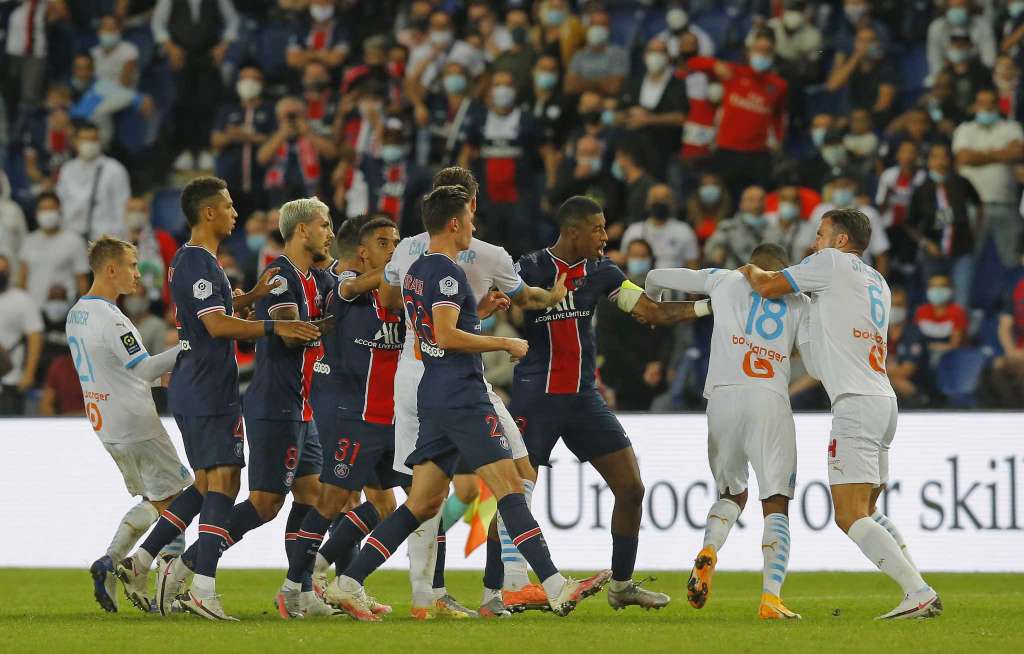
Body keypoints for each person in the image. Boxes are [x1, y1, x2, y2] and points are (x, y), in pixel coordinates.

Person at [327, 185, 611, 622]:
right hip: (462, 394)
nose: (473, 228)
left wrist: (477, 311)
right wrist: (504, 343)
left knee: (422, 503)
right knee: (511, 485)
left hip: (433, 393)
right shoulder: (447, 273)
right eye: (470, 220)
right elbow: (445, 335)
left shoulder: (416, 268)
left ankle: (348, 582)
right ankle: (555, 585)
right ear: (455, 223)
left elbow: (435, 326)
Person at [116, 177, 319, 619]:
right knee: (224, 483)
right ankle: (202, 588)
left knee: (207, 484)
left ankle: (142, 561)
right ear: (208, 213)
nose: (234, 213)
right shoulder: (197, 261)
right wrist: (274, 325)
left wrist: (254, 297)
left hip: (203, 383)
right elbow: (216, 326)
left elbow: (215, 314)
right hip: (207, 386)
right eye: (227, 206)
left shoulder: (198, 260)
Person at [376, 167, 571, 617]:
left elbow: (388, 300)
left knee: (427, 494)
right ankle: (507, 583)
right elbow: (526, 299)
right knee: (515, 474)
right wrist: (551, 295)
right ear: (468, 208)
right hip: (459, 377)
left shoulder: (408, 250)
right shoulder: (489, 254)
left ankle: (427, 592)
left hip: (413, 374)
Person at [741, 208, 942, 620]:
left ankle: (918, 592)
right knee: (868, 511)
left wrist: (744, 270)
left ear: (841, 240)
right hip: (882, 401)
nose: (813, 243)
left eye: (820, 234)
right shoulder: (878, 281)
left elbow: (767, 285)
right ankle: (918, 589)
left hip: (855, 404)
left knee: (850, 514)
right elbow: (819, 363)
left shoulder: (829, 263)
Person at [511, 196, 705, 613]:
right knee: (514, 494)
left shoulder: (603, 272)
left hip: (584, 399)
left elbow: (652, 311)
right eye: (597, 229)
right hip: (536, 395)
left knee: (631, 488)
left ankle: (621, 585)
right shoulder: (527, 268)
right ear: (573, 232)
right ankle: (500, 589)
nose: (605, 236)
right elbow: (504, 308)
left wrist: (709, 305)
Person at [646, 242, 807, 620]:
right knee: (775, 501)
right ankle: (771, 598)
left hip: (721, 398)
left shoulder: (724, 280)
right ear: (782, 270)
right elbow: (812, 357)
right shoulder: (798, 299)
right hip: (768, 398)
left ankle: (709, 550)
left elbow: (656, 276)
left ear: (750, 265)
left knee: (732, 493)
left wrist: (654, 305)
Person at [277, 215, 403, 619]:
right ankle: (295, 586)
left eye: (397, 243)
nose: (394, 250)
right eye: (385, 243)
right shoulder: (345, 286)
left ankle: (332, 577)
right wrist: (402, 266)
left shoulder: (393, 295)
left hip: (388, 419)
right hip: (352, 415)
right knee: (335, 501)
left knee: (387, 505)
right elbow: (349, 287)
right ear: (362, 252)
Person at [66, 236, 191, 613]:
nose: (138, 274)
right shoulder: (112, 319)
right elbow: (145, 367)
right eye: (132, 266)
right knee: (180, 499)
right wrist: (190, 346)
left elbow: (114, 371)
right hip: (137, 423)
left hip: (105, 423)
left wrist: (160, 379)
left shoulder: (77, 313)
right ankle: (159, 585)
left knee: (156, 497)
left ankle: (112, 563)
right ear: (111, 269)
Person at [151, 0, 241, 172]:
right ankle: (186, 150)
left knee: (208, 102)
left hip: (209, 56)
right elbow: (158, 23)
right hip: (181, 56)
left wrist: (223, 46)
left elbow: (233, 20)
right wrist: (170, 47)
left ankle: (206, 148)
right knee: (182, 103)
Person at [596, 239, 672, 411]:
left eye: (643, 256)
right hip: (621, 382)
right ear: (626, 258)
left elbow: (668, 335)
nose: (639, 260)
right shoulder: (609, 296)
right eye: (634, 256)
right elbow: (608, 343)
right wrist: (641, 369)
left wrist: (659, 364)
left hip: (656, 380)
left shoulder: (661, 296)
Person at [952, 88, 1024, 268]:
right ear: (975, 106)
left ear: (998, 105)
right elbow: (964, 158)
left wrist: (979, 155)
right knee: (968, 258)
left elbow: (1017, 152)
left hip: (1005, 202)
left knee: (1014, 259)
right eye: (982, 103)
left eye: (991, 103)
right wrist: (999, 154)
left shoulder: (1011, 127)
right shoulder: (965, 129)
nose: (987, 107)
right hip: (972, 207)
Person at [907, 143, 982, 310]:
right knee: (935, 299)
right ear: (928, 161)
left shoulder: (962, 183)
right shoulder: (921, 189)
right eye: (935, 157)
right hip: (932, 252)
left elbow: (978, 204)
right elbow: (910, 223)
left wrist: (975, 230)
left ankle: (961, 327)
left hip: (962, 249)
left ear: (950, 160)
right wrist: (926, 243)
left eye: (944, 157)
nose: (940, 161)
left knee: (961, 299)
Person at [211, 65, 274, 223]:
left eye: (254, 78)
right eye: (244, 78)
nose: (248, 82)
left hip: (262, 184)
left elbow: (276, 139)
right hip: (230, 185)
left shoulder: (270, 110)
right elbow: (216, 141)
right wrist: (232, 136)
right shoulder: (227, 110)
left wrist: (248, 137)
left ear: (262, 83)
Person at [618, 37, 688, 177]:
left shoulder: (677, 85)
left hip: (664, 149)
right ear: (644, 56)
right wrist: (629, 114)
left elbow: (680, 117)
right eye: (652, 51)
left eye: (661, 52)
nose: (656, 56)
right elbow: (618, 113)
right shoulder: (633, 83)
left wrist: (649, 119)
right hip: (633, 151)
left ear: (668, 57)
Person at [55, 121, 131, 241]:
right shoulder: (67, 170)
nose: (89, 144)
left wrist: (117, 240)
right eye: (84, 139)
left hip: (104, 238)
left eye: (93, 139)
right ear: (75, 141)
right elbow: (60, 203)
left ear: (100, 141)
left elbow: (122, 207)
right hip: (72, 237)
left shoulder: (114, 169)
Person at [16, 192, 89, 307]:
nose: (47, 213)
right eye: (43, 209)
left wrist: (84, 309)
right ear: (36, 213)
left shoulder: (75, 241)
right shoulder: (29, 241)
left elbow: (82, 281)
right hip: (33, 308)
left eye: (51, 209)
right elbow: (22, 278)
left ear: (60, 211)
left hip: (64, 309)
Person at [0, 254, 43, 415]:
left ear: (10, 272)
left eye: (3, 270)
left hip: (10, 377)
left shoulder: (22, 299)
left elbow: (35, 338)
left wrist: (29, 373)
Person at [621, 184, 699, 270]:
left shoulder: (684, 231)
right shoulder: (633, 231)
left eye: (664, 199)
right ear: (647, 203)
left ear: (672, 203)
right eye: (655, 198)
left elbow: (692, 265)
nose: (659, 203)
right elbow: (623, 261)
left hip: (674, 278)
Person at [926, 0, 996, 81]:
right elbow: (935, 61)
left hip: (977, 73)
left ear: (969, 6)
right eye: (954, 6)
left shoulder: (983, 25)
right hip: (947, 74)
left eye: (961, 6)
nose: (957, 9)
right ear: (947, 6)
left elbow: (989, 60)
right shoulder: (936, 27)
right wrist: (941, 75)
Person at [564, 9, 628, 97]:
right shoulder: (579, 55)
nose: (597, 28)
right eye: (594, 24)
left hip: (607, 101)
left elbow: (614, 88)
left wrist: (582, 82)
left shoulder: (619, 53)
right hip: (580, 100)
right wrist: (602, 82)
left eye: (602, 25)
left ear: (609, 28)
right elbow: (569, 87)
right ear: (588, 27)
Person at [704, 185, 771, 269]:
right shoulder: (727, 228)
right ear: (741, 204)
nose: (756, 205)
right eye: (751, 200)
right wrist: (717, 251)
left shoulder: (773, 228)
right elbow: (712, 251)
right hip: (734, 274)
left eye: (760, 200)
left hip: (764, 275)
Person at [914, 274, 969, 369]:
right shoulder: (921, 311)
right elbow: (914, 341)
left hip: (950, 359)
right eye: (933, 286)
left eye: (942, 286)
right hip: (923, 358)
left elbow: (954, 346)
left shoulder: (957, 312)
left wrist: (928, 346)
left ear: (951, 289)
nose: (937, 290)